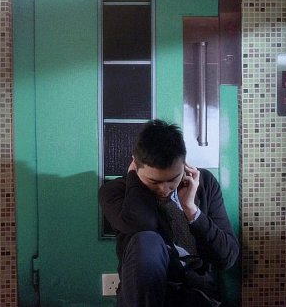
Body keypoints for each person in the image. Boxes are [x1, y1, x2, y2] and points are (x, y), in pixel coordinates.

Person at [99, 119, 239, 306]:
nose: (165, 189)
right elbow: (140, 225)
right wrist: (133, 179)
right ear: (135, 166)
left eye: (173, 179)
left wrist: (192, 210)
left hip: (198, 294)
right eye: (154, 182)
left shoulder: (204, 183)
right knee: (147, 240)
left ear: (184, 165)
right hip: (147, 294)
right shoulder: (115, 192)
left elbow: (227, 257)